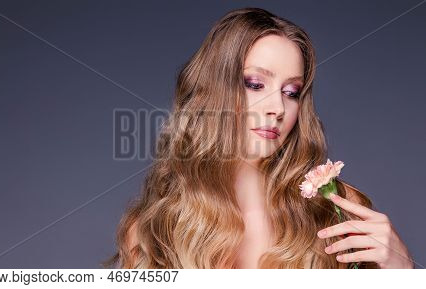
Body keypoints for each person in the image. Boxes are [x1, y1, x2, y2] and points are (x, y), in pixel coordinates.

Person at [103, 7, 414, 269]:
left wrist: (405, 273)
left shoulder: (337, 211)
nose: (277, 108)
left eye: (292, 92)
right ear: (212, 92)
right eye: (254, 84)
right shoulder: (151, 231)